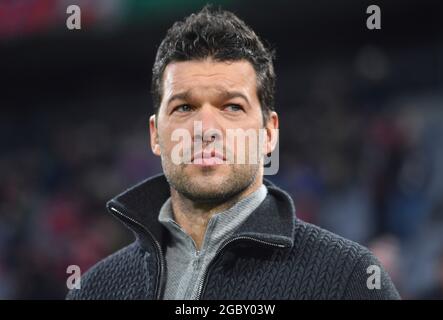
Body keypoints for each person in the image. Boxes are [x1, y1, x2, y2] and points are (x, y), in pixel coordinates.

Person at [67, 6, 400, 300]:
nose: (206, 128)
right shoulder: (95, 290)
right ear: (155, 135)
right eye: (184, 106)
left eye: (231, 106)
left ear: (269, 133)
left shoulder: (347, 280)